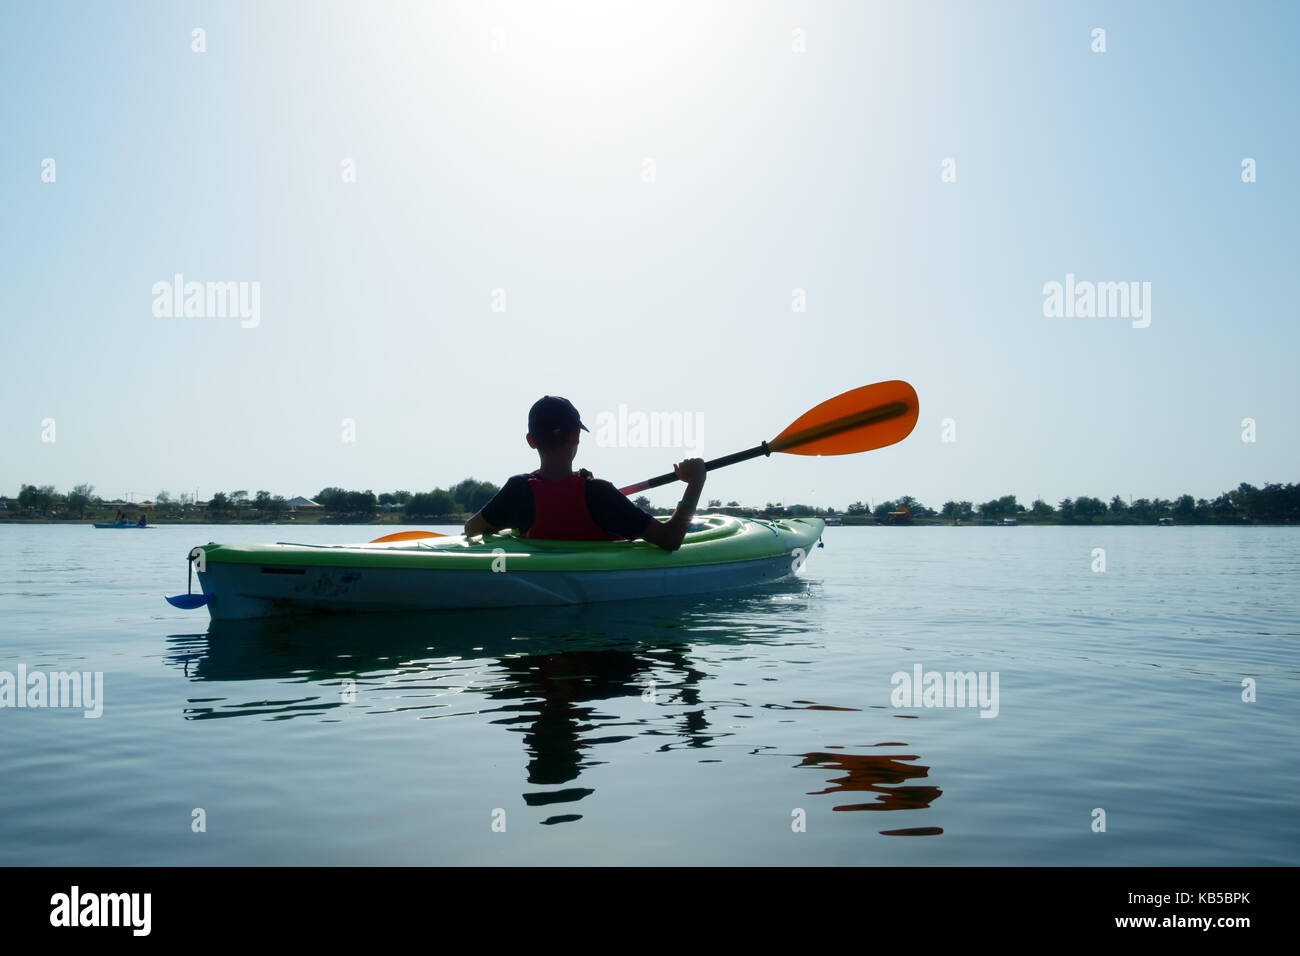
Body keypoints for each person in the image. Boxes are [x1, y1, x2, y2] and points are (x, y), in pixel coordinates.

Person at [464, 396, 705, 551]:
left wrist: (511, 528)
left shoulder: (518, 490)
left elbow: (471, 529)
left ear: (531, 441)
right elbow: (671, 539)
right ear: (576, 436)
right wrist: (695, 482)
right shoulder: (599, 493)